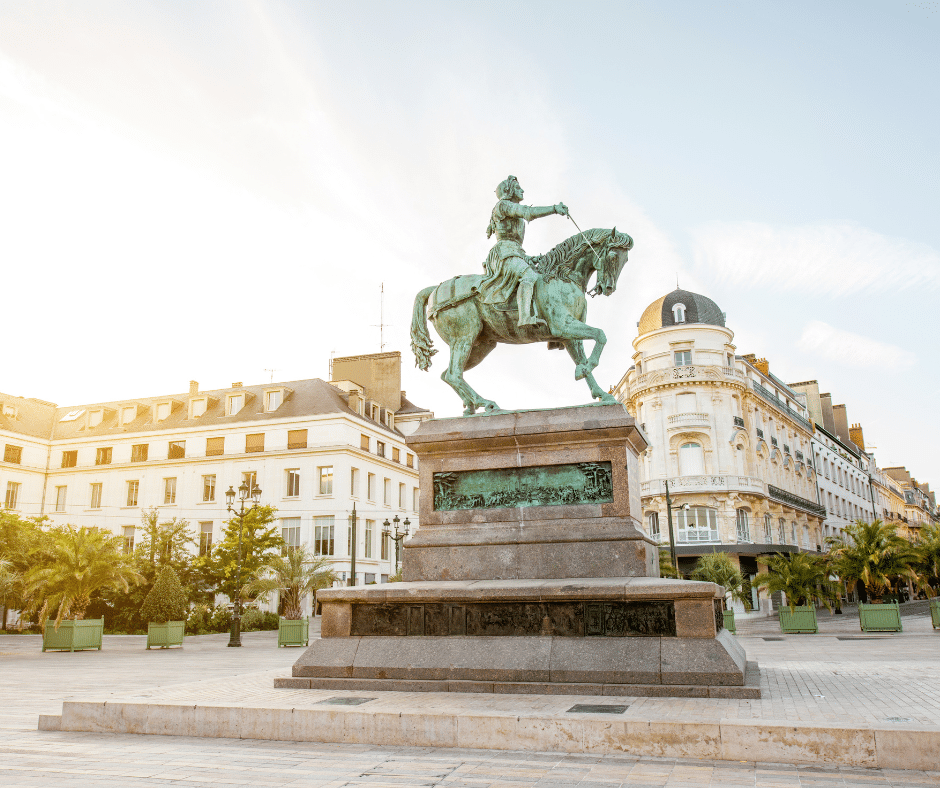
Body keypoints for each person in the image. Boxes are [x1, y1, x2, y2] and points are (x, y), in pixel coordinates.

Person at [481, 175, 568, 326]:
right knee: (528, 275)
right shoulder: (503, 205)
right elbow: (529, 212)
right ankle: (524, 318)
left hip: (513, 252)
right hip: (503, 254)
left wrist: (529, 258)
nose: (522, 190)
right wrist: (554, 209)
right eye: (517, 188)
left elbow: (515, 246)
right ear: (508, 191)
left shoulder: (510, 210)